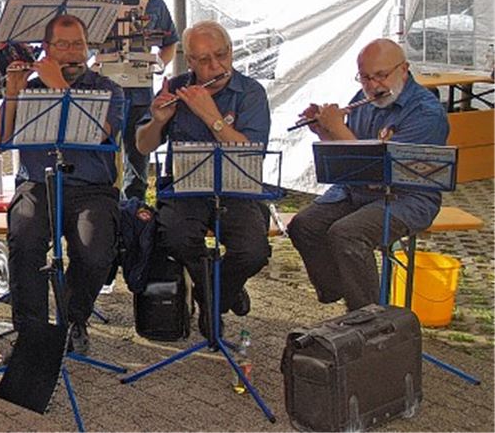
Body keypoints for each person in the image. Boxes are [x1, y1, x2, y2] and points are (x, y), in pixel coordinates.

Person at [0, 14, 125, 354]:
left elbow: (101, 133)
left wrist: (60, 87)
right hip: (37, 183)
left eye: (78, 44)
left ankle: (74, 319)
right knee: (26, 240)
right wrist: (14, 93)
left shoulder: (108, 89)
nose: (72, 52)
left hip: (91, 188)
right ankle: (31, 331)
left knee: (95, 252)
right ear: (46, 49)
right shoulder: (31, 89)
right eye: (62, 45)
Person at [287, 38, 449, 312]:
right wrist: (324, 130)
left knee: (347, 234)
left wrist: (338, 128)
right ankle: (338, 290)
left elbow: (383, 171)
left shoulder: (426, 113)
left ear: (404, 69)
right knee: (304, 226)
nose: (373, 86)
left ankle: (368, 318)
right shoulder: (362, 102)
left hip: (406, 197)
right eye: (365, 78)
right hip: (358, 191)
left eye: (381, 75)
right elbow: (349, 162)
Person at [135, 20, 271, 339]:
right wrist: (158, 122)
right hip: (186, 190)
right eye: (204, 60)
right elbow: (142, 145)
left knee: (253, 251)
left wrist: (210, 115)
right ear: (191, 62)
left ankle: (211, 295)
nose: (216, 66)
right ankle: (217, 292)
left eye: (221, 55)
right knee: (176, 237)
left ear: (231, 51)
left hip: (236, 190)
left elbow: (252, 154)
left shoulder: (250, 92)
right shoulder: (176, 87)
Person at [79, 0, 178, 202]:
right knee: (100, 149)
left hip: (139, 89)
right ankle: (102, 202)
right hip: (101, 89)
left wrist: (159, 64)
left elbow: (171, 41)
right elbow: (72, 41)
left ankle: (135, 208)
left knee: (138, 154)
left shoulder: (153, 3)